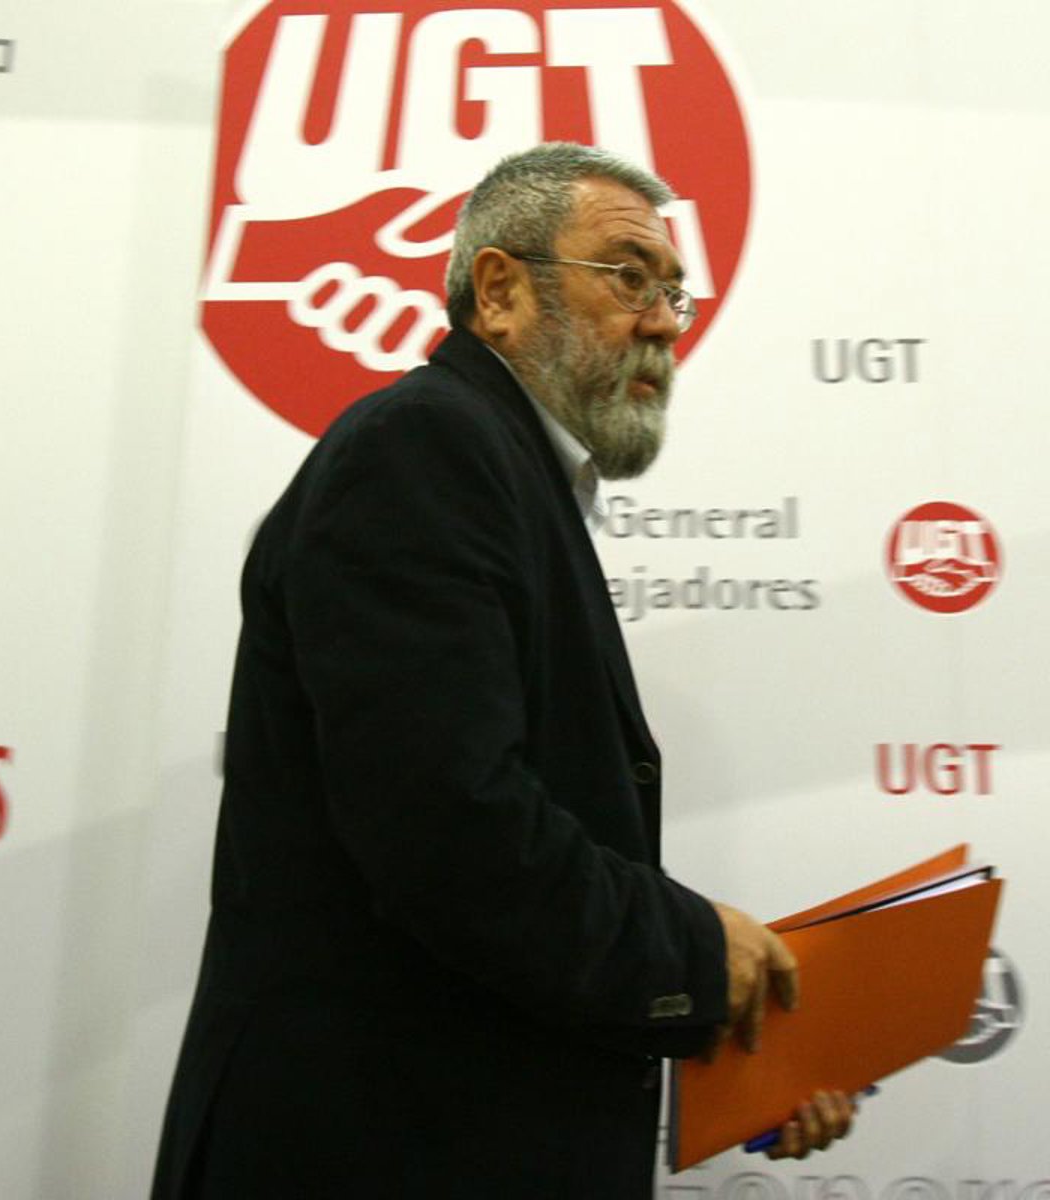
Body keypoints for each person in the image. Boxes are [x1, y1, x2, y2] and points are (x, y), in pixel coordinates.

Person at [151, 142, 852, 1200]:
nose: (665, 323)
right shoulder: (427, 448)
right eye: (629, 276)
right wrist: (699, 961)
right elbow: (448, 832)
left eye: (674, 292)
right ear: (500, 290)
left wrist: (745, 1044)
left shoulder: (500, 469)